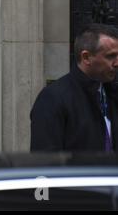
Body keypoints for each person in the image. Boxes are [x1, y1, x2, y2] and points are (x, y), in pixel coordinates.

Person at [31, 23, 118, 152]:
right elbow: (45, 159)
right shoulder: (53, 98)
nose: (117, 63)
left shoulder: (111, 93)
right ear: (86, 57)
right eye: (111, 56)